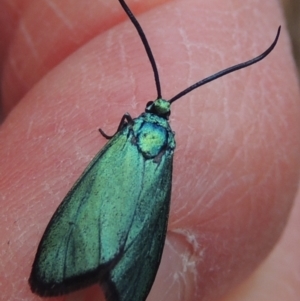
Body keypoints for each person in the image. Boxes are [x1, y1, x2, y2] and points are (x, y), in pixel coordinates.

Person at [0, 0, 299, 300]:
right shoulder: (168, 148)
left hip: (119, 155)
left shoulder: (129, 131)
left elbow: (124, 123)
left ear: (147, 111)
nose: (159, 107)